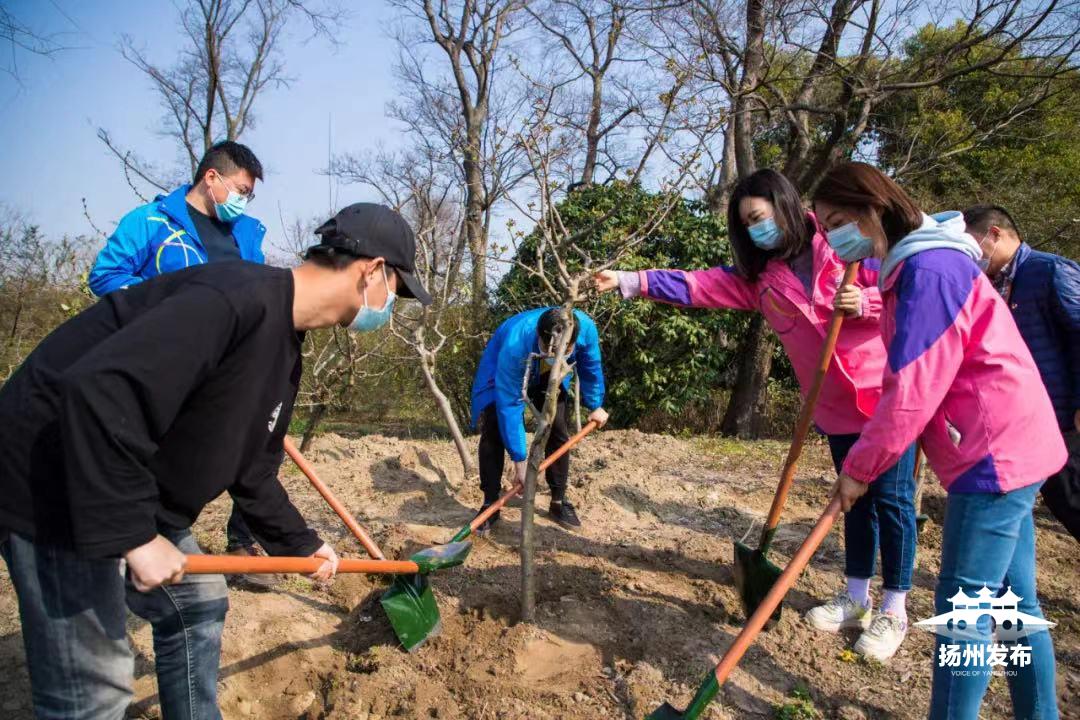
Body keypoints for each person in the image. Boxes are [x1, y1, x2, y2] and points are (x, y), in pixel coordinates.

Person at [0, 202, 432, 720]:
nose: (392, 306)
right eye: (397, 292)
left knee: (200, 604)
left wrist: (304, 544)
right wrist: (135, 537)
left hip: (130, 483)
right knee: (94, 694)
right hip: (55, 483)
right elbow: (99, 392)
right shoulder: (231, 298)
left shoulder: (285, 348)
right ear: (372, 270)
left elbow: (253, 468)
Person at [594, 168, 918, 661]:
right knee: (853, 502)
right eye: (746, 224)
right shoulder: (763, 280)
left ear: (785, 205)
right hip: (832, 407)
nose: (754, 230)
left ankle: (895, 607)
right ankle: (856, 597)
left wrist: (868, 301)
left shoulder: (849, 242)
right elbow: (697, 286)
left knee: (892, 503)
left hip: (884, 394)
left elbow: (908, 289)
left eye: (758, 217)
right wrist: (630, 280)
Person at [812, 162, 1065, 720]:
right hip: (1013, 443)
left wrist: (860, 466)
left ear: (873, 209)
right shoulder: (918, 263)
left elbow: (911, 387)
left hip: (993, 455)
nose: (831, 238)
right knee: (1013, 607)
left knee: (965, 610)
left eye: (836, 222)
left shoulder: (931, 268)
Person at [88, 140, 276, 587]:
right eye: (241, 189)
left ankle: (243, 542)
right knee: (160, 448)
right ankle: (137, 536)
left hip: (227, 367)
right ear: (211, 179)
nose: (244, 201)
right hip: (165, 361)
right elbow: (106, 275)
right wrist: (168, 303)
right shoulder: (150, 222)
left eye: (250, 195)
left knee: (254, 448)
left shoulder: (246, 234)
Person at [963, 204, 1080, 542]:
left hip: (1065, 417)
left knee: (1072, 498)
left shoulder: (1049, 271)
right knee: (1058, 499)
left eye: (971, 245)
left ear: (994, 234)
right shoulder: (990, 284)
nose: (969, 256)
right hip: (1027, 419)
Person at [470, 307, 608, 532]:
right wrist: (520, 462)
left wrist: (596, 404)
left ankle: (558, 501)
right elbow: (510, 404)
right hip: (506, 368)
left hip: (551, 374)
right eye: (547, 349)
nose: (553, 353)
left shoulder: (585, 329)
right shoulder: (516, 345)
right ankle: (490, 503)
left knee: (559, 426)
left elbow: (591, 366)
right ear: (538, 336)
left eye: (564, 350)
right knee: (494, 427)